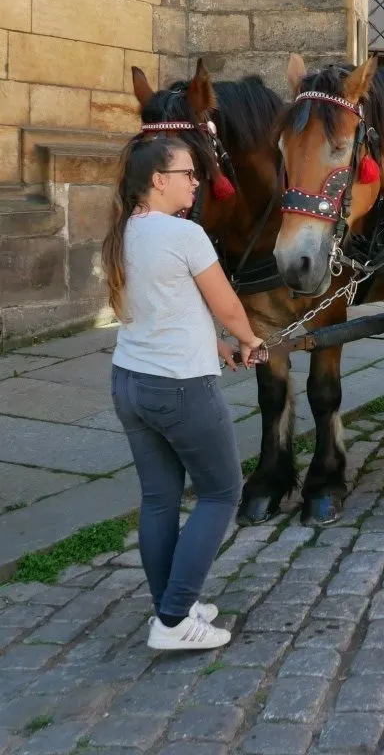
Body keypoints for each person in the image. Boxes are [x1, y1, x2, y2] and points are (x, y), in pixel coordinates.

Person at [101, 136, 266, 652]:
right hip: (179, 388)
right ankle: (173, 620)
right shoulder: (185, 233)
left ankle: (171, 602)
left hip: (129, 381)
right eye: (188, 173)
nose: (196, 183)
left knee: (159, 499)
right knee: (221, 492)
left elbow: (159, 307)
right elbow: (228, 304)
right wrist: (247, 339)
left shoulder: (122, 232)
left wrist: (215, 345)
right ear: (158, 180)